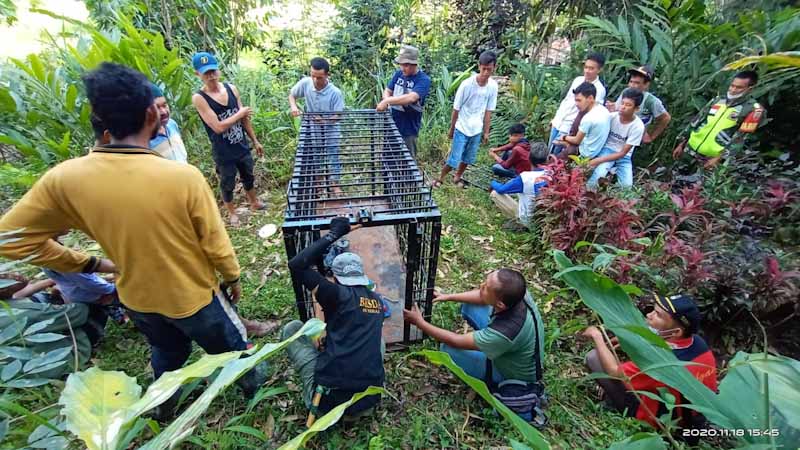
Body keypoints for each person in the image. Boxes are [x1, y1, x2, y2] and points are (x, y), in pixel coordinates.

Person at [0, 62, 265, 419]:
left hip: (137, 299)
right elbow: (216, 244)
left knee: (167, 352)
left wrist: (92, 263)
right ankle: (255, 394)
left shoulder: (64, 179)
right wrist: (232, 278)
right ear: (151, 115)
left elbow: (9, 239)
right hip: (194, 296)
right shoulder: (182, 178)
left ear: (98, 120)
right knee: (233, 348)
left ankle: (163, 407)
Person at [403, 269, 546, 423]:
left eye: (486, 287)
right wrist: (447, 297)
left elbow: (455, 340)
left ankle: (492, 379)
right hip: (511, 347)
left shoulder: (504, 333)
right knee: (470, 305)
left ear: (500, 304)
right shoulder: (518, 294)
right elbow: (481, 296)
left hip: (509, 374)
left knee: (448, 350)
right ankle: (482, 346)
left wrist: (420, 322)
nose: (481, 285)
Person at [282, 217, 384, 420]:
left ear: (336, 278)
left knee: (292, 328)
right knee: (378, 341)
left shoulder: (336, 293)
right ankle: (358, 409)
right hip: (367, 401)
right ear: (361, 276)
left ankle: (318, 400)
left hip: (326, 404)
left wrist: (334, 233)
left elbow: (297, 265)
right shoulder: (377, 302)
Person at [582, 293, 718, 429]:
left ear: (676, 332)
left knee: (594, 358)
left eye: (658, 315)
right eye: (653, 310)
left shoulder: (661, 363)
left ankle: (617, 407)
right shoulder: (698, 343)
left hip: (661, 423)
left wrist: (597, 336)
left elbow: (613, 371)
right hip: (695, 418)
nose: (649, 315)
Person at [191, 52, 265, 226]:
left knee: (248, 175)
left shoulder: (231, 89)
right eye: (206, 73)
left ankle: (254, 202)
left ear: (218, 70)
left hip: (241, 144)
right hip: (223, 151)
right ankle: (232, 213)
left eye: (213, 71)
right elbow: (217, 127)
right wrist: (240, 113)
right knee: (227, 182)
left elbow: (245, 119)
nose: (211, 76)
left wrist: (255, 140)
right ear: (198, 74)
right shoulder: (199, 98)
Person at [672, 70, 766, 173]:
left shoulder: (754, 110)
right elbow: (697, 120)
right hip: (689, 151)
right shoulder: (718, 100)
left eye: (739, 87)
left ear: (750, 89)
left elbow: (740, 138)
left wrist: (719, 158)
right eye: (732, 86)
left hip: (711, 159)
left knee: (698, 183)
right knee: (675, 177)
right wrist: (681, 143)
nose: (733, 90)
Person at [432, 51, 499, 188]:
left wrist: (486, 132)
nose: (486, 72)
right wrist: (452, 129)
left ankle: (457, 177)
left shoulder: (493, 86)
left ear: (494, 68)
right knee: (454, 159)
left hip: (476, 129)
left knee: (468, 158)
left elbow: (489, 111)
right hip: (462, 126)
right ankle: (440, 178)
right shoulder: (467, 84)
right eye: (484, 69)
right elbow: (456, 109)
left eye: (489, 69)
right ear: (479, 66)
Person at [289, 57, 345, 191]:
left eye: (319, 77)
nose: (315, 80)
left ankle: (335, 184)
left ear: (327, 75)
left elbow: (338, 115)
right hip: (313, 127)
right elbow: (292, 95)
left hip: (331, 128)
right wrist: (294, 107)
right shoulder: (306, 83)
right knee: (316, 153)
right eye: (312, 76)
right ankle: (319, 182)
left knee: (333, 154)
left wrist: (324, 121)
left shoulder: (335, 93)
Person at [376, 45, 432, 157]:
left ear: (414, 64)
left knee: (407, 159)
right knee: (388, 157)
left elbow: (411, 98)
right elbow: (388, 90)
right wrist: (386, 99)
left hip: (409, 127)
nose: (402, 68)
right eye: (401, 64)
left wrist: (387, 102)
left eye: (406, 65)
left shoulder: (423, 80)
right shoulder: (399, 74)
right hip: (392, 122)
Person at [587, 88, 646, 188]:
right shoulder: (611, 117)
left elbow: (623, 153)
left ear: (636, 109)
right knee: (598, 176)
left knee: (627, 186)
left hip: (624, 156)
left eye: (628, 105)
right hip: (607, 149)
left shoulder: (638, 126)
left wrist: (598, 160)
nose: (623, 107)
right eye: (622, 103)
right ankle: (586, 193)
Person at [549, 52, 606, 153]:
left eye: (591, 68)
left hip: (570, 128)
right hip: (559, 122)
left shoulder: (599, 90)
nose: (587, 71)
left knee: (556, 156)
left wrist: (575, 133)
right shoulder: (577, 80)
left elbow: (590, 113)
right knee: (549, 151)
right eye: (586, 67)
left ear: (599, 70)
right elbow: (566, 100)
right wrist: (556, 119)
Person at [489, 142, 550, 231]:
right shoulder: (552, 173)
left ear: (529, 158)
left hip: (529, 221)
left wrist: (492, 183)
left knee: (495, 193)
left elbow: (501, 190)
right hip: (546, 221)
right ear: (547, 159)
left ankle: (519, 222)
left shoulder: (525, 178)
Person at [606, 65, 671, 145]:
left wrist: (651, 136)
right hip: (617, 134)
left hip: (634, 138)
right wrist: (611, 108)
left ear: (646, 84)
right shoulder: (626, 92)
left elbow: (665, 118)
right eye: (631, 82)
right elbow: (617, 108)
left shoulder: (651, 101)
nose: (632, 85)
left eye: (636, 83)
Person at [553, 82, 611, 160]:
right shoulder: (604, 110)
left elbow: (577, 140)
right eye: (576, 100)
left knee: (554, 159)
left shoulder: (588, 118)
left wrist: (564, 137)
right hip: (595, 149)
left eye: (579, 100)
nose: (576, 104)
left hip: (584, 154)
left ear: (590, 98)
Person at [150, 83, 188, 163]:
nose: (163, 112)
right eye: (157, 108)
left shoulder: (172, 124)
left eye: (164, 105)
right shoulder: (145, 140)